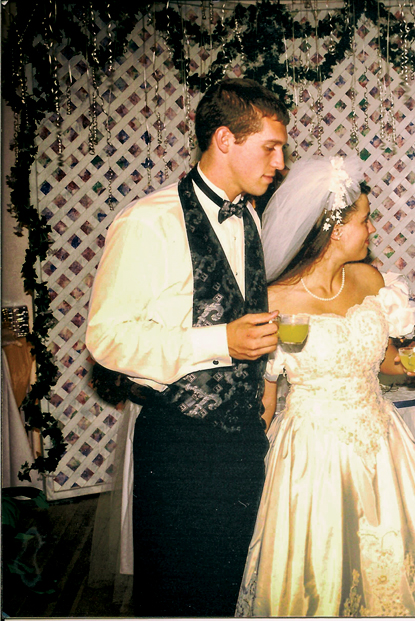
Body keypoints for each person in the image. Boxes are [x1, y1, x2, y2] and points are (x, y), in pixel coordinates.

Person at [85, 78, 289, 617]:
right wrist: (221, 341)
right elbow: (106, 339)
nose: (281, 161)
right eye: (270, 146)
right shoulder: (146, 222)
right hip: (177, 444)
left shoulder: (249, 216)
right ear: (225, 139)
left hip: (244, 439)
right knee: (176, 595)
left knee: (230, 586)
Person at [234, 155, 415, 617]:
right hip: (312, 455)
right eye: (365, 221)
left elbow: (383, 362)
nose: (371, 231)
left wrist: (409, 365)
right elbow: (264, 396)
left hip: (382, 446)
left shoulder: (369, 280)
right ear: (336, 229)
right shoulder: (275, 298)